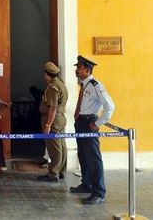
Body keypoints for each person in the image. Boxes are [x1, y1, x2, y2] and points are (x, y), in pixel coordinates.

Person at [70, 55, 115, 205]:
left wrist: (98, 123)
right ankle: (87, 184)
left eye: (79, 68)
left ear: (87, 70)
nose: (77, 70)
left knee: (93, 158)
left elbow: (110, 106)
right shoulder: (84, 85)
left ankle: (99, 192)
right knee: (83, 154)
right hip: (81, 122)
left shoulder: (96, 85)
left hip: (89, 122)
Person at [37, 62, 68, 182]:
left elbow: (52, 107)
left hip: (53, 120)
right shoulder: (60, 84)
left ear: (47, 74)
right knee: (61, 146)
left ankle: (53, 173)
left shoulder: (53, 87)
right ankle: (61, 171)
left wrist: (48, 125)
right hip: (60, 119)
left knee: (54, 148)